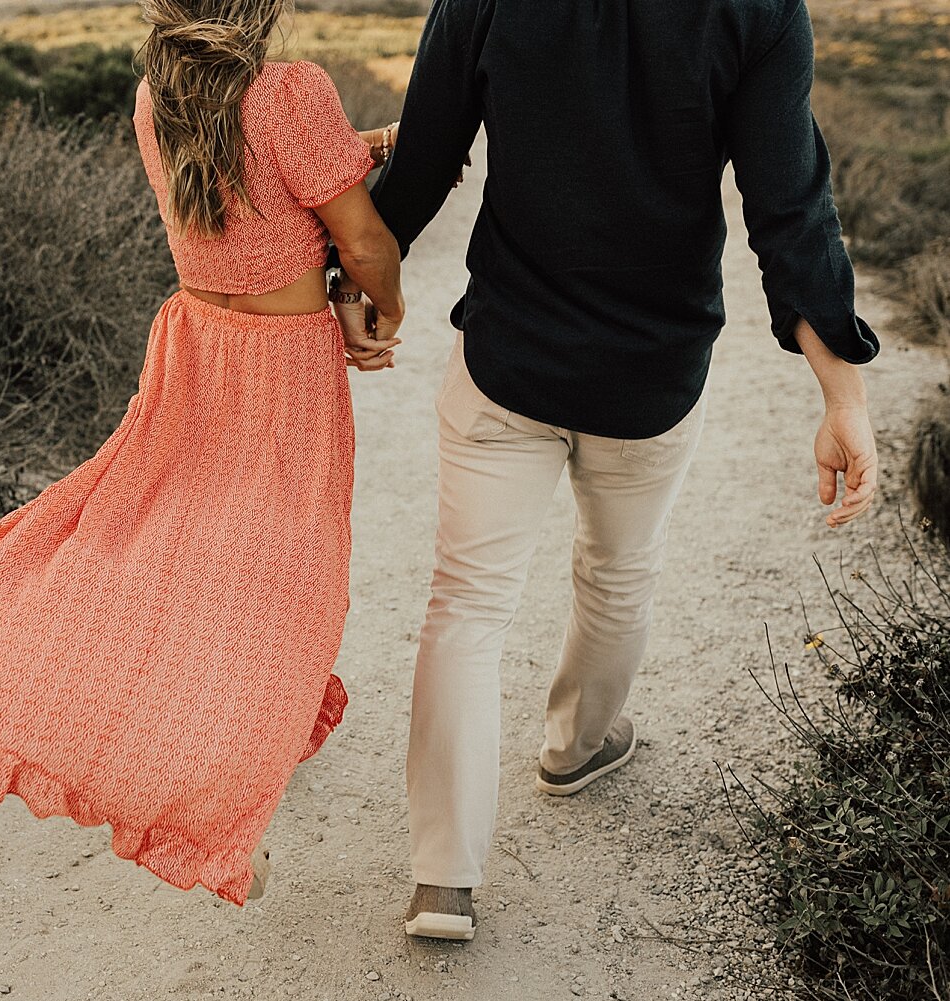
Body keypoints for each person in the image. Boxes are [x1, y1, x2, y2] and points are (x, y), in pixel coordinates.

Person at [0, 0, 406, 906]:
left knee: (159, 533)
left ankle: (151, 720)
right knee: (286, 566)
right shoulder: (295, 90)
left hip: (198, 343)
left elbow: (246, 185)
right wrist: (380, 314)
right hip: (283, 366)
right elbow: (362, 240)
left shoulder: (158, 96)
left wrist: (359, 143)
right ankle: (217, 788)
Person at [332, 0, 882, 941]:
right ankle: (576, 746)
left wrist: (361, 288)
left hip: (509, 356)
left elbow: (421, 155)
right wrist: (845, 396)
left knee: (466, 602)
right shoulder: (759, 12)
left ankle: (443, 880)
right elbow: (789, 205)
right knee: (620, 573)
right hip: (652, 372)